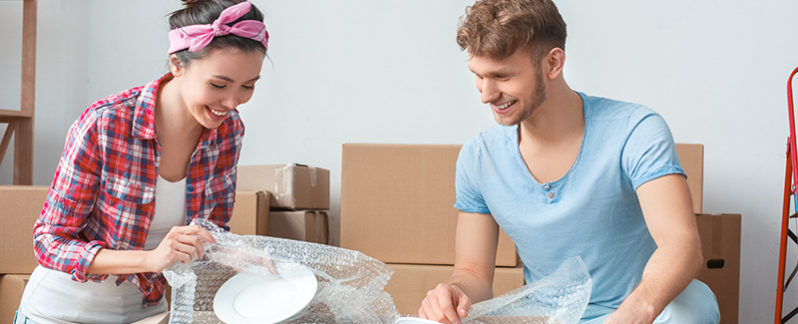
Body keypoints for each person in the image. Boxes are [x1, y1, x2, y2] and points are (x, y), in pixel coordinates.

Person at [417, 1, 720, 323]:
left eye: (502, 76)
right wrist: (455, 292)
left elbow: (681, 245)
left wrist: (637, 310)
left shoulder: (634, 129)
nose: (486, 94)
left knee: (691, 310)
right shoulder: (479, 157)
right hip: (548, 315)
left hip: (643, 307)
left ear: (553, 63)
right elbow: (473, 272)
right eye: (478, 76)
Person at [15, 0, 268, 322]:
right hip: (64, 312)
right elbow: (49, 243)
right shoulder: (106, 124)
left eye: (248, 86)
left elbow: (210, 232)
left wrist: (236, 255)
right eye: (218, 85)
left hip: (147, 312)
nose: (232, 102)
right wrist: (151, 259)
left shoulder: (228, 131)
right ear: (177, 64)